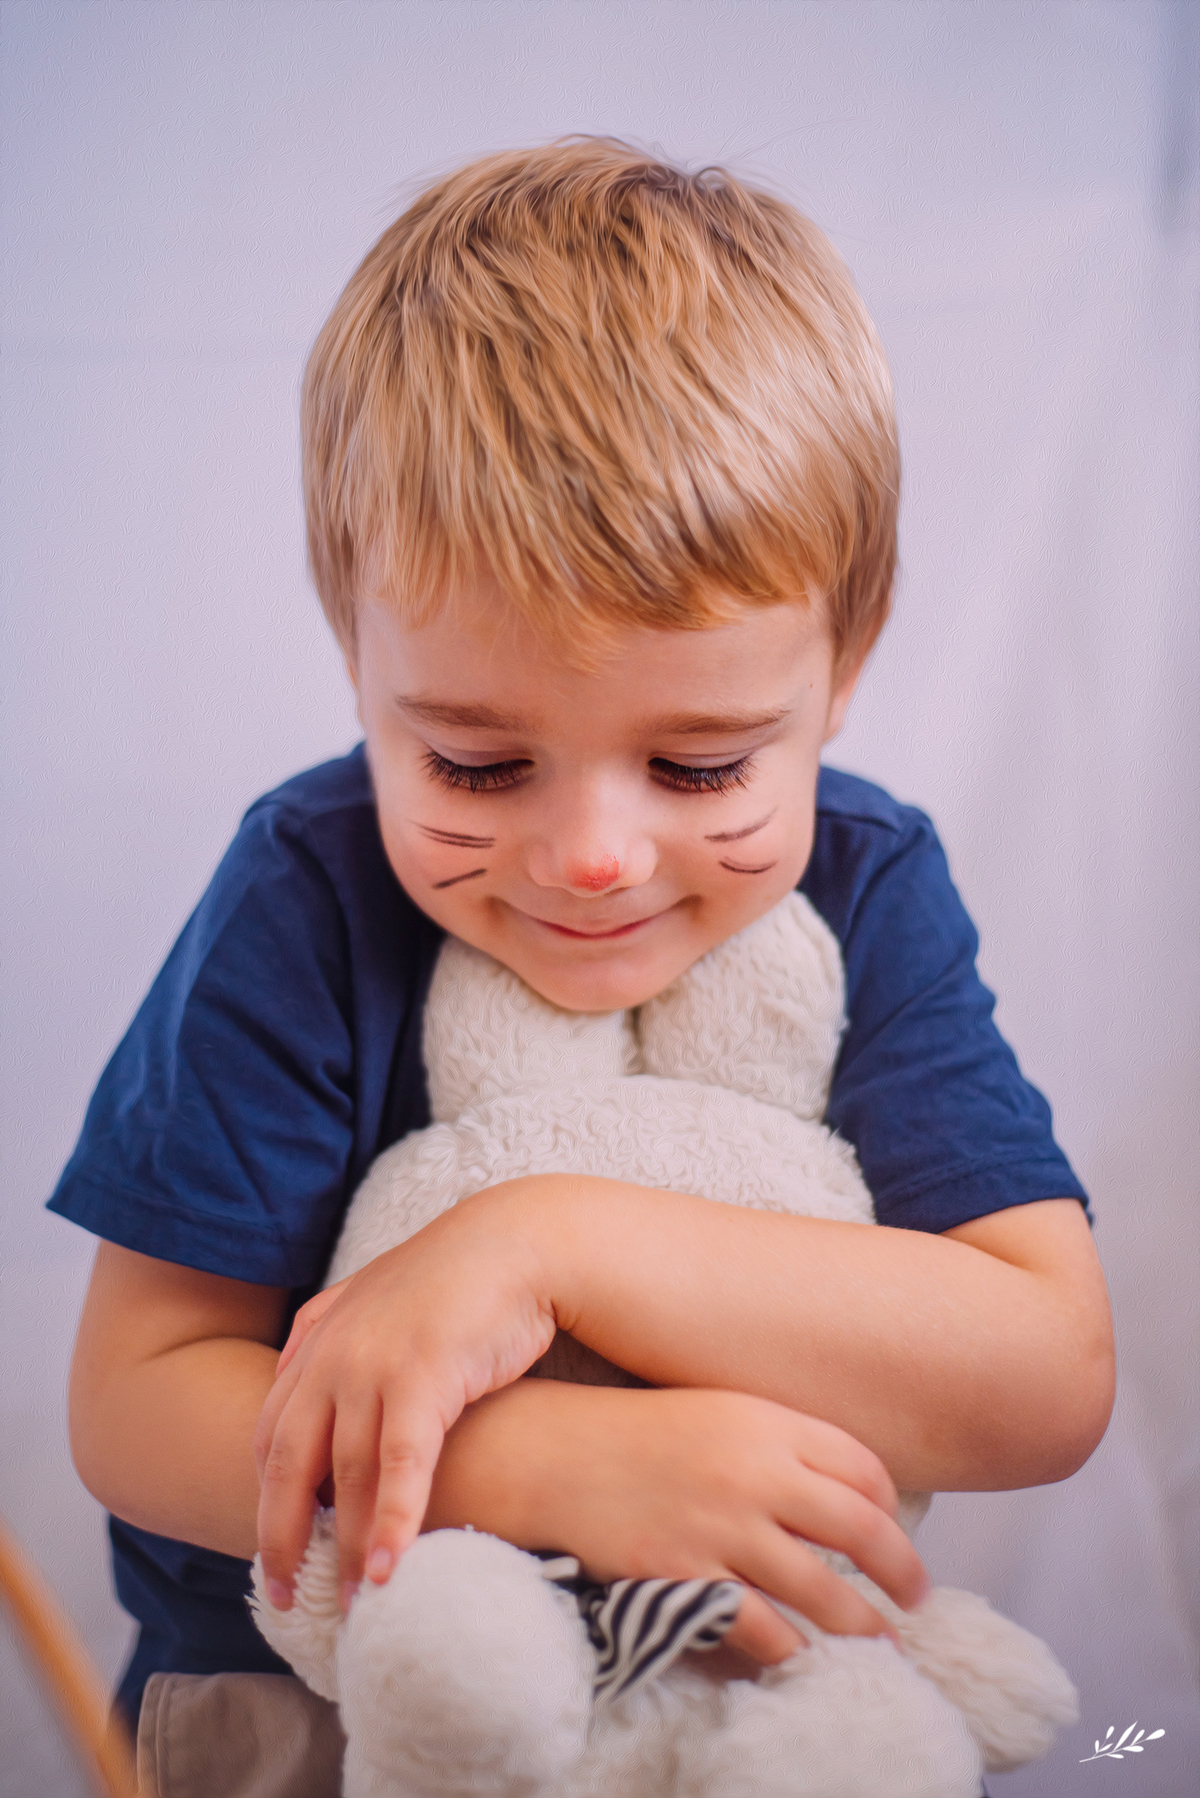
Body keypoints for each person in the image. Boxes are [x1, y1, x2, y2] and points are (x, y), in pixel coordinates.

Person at [51, 137, 1114, 1781]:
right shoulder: (306, 891)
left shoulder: (871, 883)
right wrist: (532, 1462)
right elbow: (133, 1399)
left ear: (844, 670)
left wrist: (545, 1244)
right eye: (478, 765)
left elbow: (1047, 1375)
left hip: (733, 1699)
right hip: (311, 1707)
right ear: (357, 661)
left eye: (699, 765)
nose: (593, 855)